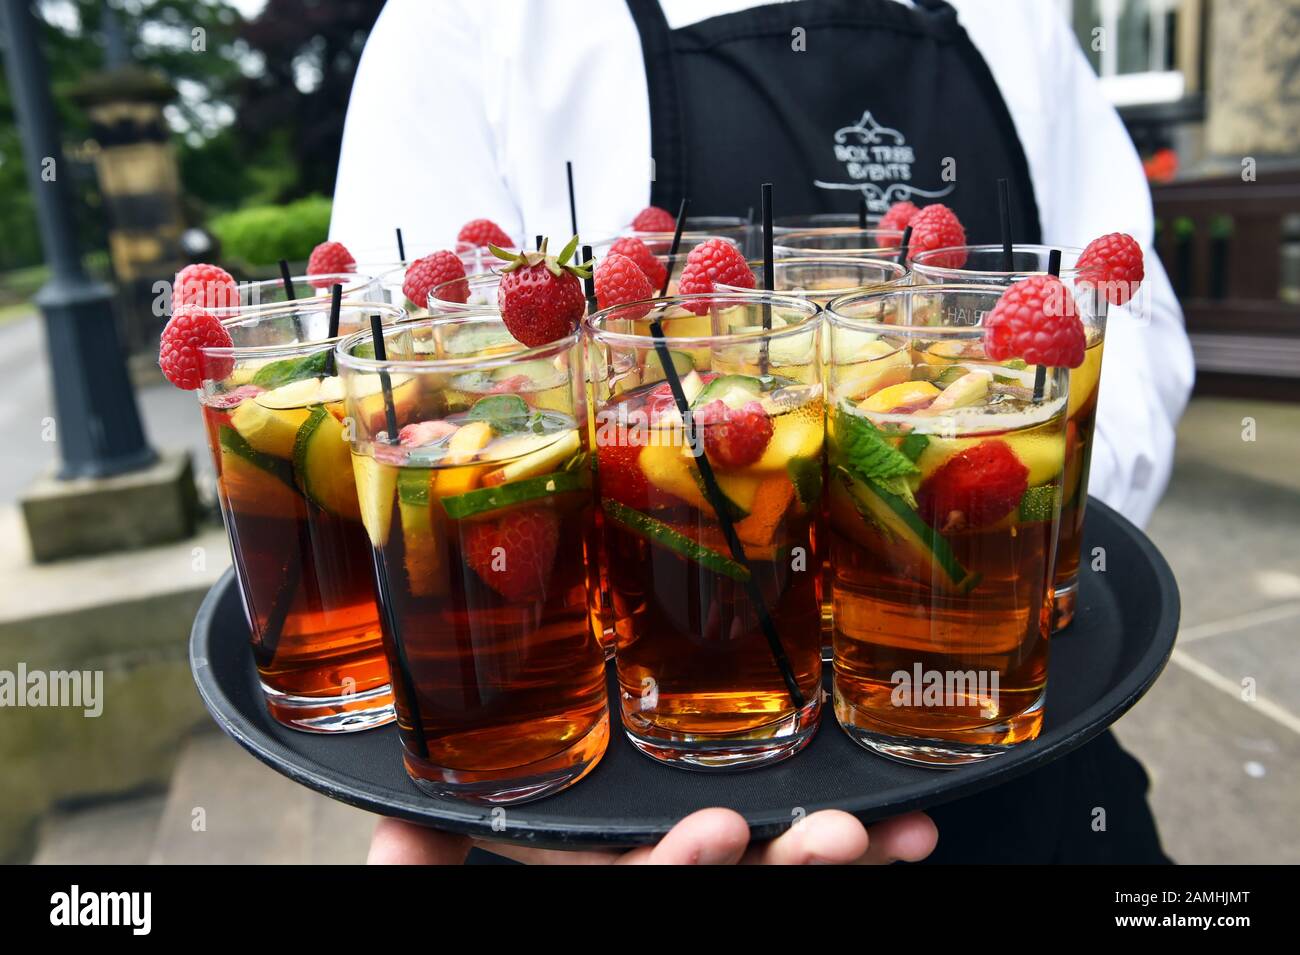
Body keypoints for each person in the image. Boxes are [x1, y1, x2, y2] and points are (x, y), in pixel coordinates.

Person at [332, 0, 1193, 865]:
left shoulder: (1022, 16)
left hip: (1032, 773)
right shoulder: (465, 19)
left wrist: (1015, 556)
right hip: (613, 779)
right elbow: (400, 350)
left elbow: (1123, 310)